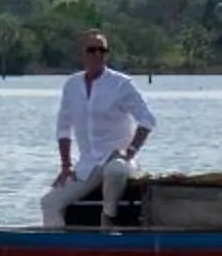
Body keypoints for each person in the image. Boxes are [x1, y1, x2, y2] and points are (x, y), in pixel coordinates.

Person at [40, 32, 155, 228]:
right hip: (87, 164)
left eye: (102, 50)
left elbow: (147, 120)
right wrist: (66, 165)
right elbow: (63, 127)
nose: (97, 54)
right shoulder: (72, 85)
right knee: (49, 202)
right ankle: (59, 248)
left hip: (119, 160)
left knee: (115, 170)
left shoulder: (121, 84)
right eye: (91, 50)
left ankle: (108, 217)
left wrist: (129, 151)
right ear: (82, 54)